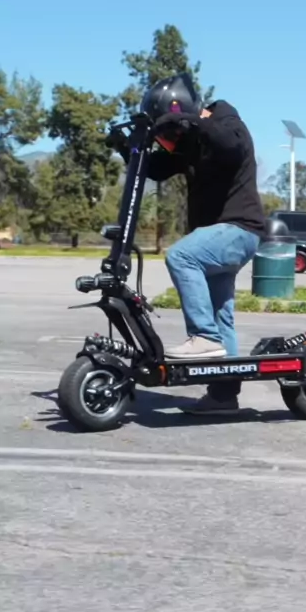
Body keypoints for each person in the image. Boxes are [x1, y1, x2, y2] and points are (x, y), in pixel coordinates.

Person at [113, 72, 266, 415]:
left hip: (239, 229)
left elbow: (231, 146)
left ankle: (204, 339)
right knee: (220, 315)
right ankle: (224, 397)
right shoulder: (192, 142)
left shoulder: (228, 123)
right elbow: (156, 169)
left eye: (169, 133)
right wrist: (125, 148)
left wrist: (191, 120)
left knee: (182, 256)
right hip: (219, 237)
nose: (170, 141)